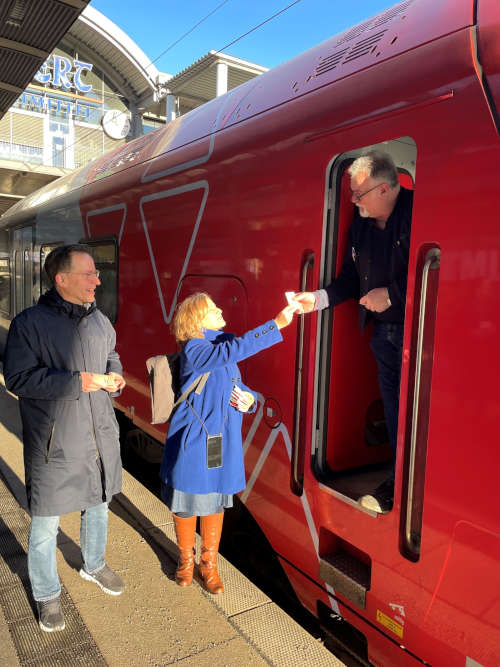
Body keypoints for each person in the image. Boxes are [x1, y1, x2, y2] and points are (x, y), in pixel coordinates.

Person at [3, 244, 126, 632]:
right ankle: (46, 594)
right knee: (44, 524)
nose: (98, 280)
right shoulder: (29, 323)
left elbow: (112, 356)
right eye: (89, 273)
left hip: (98, 435)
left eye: (96, 274)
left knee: (99, 505)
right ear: (62, 280)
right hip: (55, 442)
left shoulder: (98, 320)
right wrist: (82, 382)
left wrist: (116, 378)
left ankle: (93, 564)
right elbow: (19, 379)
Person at [294, 150, 413, 513]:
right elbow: (350, 277)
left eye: (358, 194)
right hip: (384, 336)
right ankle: (397, 477)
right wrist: (316, 299)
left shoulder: (419, 213)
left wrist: (391, 296)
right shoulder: (361, 224)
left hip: (418, 336)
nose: (353, 201)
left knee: (415, 412)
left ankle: (409, 485)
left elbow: (441, 270)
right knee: (394, 411)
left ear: (384, 189)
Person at [160, 293, 297, 594]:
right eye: (213, 308)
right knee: (186, 503)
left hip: (220, 440)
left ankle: (208, 564)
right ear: (197, 321)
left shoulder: (220, 348)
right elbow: (238, 348)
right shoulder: (195, 348)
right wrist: (277, 324)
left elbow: (235, 387)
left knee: (216, 502)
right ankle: (186, 560)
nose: (221, 310)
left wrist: (247, 401)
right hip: (195, 440)